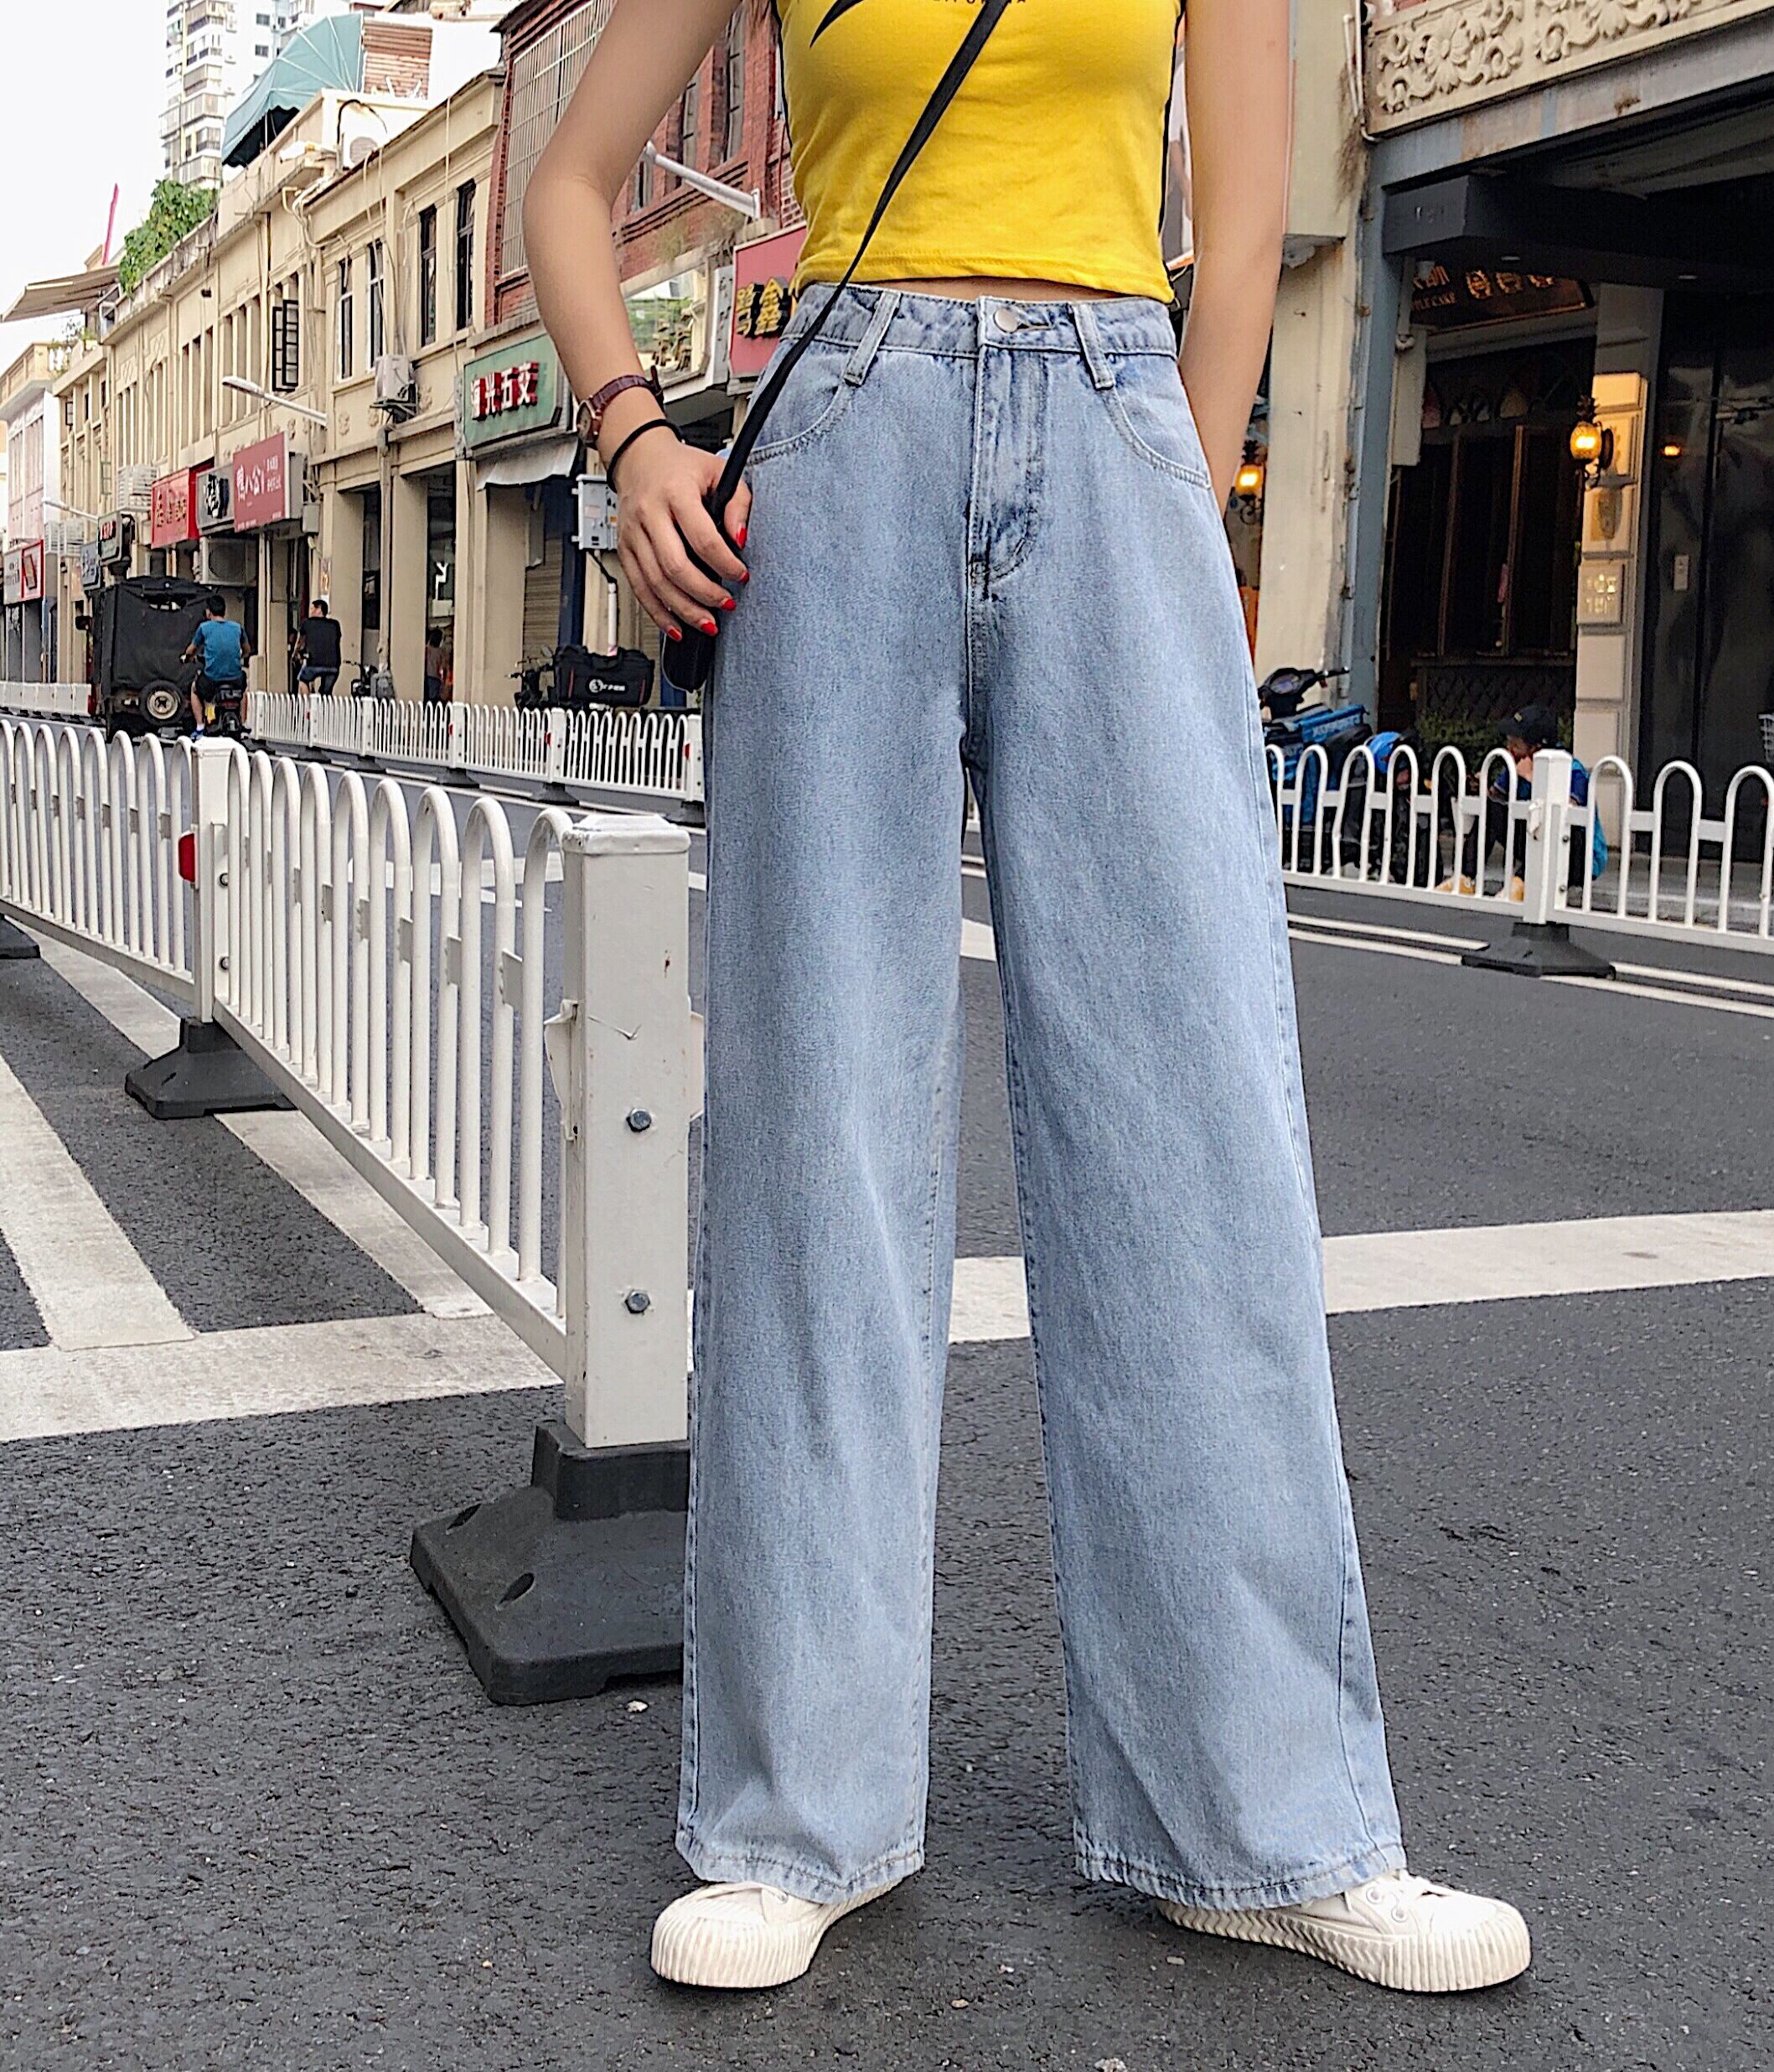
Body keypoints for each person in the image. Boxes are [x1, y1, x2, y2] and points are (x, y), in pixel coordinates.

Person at [525, 0, 1531, 1997]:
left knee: (1192, 1131)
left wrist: (1177, 487)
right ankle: (797, 1814)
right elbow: (566, 182)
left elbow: (1242, 221)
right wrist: (635, 437)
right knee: (823, 1132)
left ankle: (1262, 1823)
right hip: (846, 435)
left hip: (1115, 409)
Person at [1489, 704, 1608, 892]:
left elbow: (1565, 812)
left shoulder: (1573, 771)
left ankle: (1521, 881)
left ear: (1536, 747)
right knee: (1491, 808)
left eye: (1516, 745)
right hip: (1535, 844)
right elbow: (1495, 796)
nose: (1510, 749)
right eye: (1509, 743)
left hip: (1577, 855)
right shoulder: (1516, 767)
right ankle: (1466, 876)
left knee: (1555, 823)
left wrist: (1531, 778)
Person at [182, 594, 249, 734]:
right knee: (243, 691)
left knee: (194, 689)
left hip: (213, 680)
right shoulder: (237, 628)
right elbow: (247, 650)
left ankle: (200, 726)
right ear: (224, 611)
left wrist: (187, 658)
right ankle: (243, 723)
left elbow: (191, 650)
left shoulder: (204, 628)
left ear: (209, 613)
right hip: (235, 679)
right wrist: (239, 657)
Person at [295, 598, 342, 697]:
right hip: (333, 665)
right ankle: (324, 704)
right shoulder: (335, 624)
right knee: (326, 693)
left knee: (303, 680)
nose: (310, 611)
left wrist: (296, 654)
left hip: (314, 663)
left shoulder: (307, 623)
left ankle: (307, 704)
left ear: (319, 609)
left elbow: (300, 643)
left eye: (312, 608)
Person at [423, 624, 452, 704]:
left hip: (426, 675)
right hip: (436, 676)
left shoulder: (427, 650)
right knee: (433, 699)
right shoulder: (441, 652)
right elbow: (444, 666)